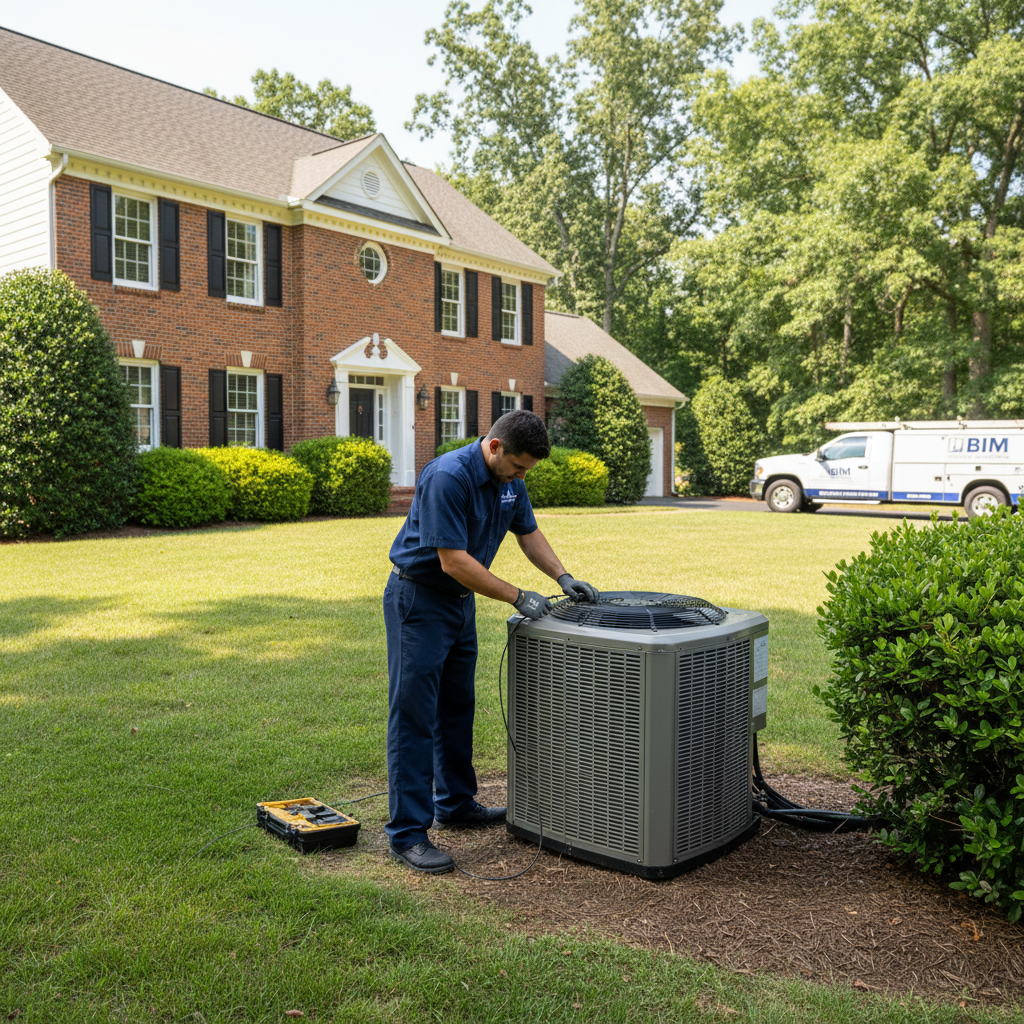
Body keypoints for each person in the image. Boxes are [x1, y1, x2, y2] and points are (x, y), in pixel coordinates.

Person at [383, 409, 599, 873]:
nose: (521, 478)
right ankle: (406, 834)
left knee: (458, 705)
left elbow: (528, 533)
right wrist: (518, 596)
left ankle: (456, 805)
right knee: (413, 714)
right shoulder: (448, 476)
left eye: (527, 472)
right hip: (419, 600)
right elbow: (453, 560)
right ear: (495, 447)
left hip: (460, 605)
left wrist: (564, 577)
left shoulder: (510, 481)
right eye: (519, 467)